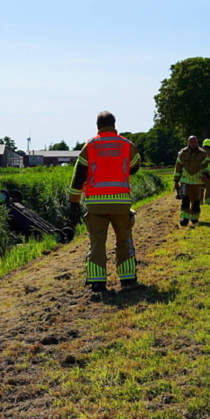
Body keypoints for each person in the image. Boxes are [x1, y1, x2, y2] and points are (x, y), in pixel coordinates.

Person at [69, 111, 142, 293]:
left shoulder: (90, 145)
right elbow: (135, 167)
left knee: (97, 242)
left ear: (98, 126)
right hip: (121, 202)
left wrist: (74, 201)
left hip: (96, 203)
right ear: (114, 124)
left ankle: (97, 282)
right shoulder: (126, 144)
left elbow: (78, 176)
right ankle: (127, 279)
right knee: (124, 239)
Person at [174, 136, 210, 226]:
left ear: (197, 142)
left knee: (196, 201)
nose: (193, 143)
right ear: (188, 142)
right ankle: (185, 218)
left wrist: (205, 174)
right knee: (185, 200)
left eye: (195, 141)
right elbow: (178, 166)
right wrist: (176, 181)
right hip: (185, 181)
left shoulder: (202, 153)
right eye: (191, 142)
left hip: (197, 182)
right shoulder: (183, 153)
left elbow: (208, 165)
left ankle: (194, 218)